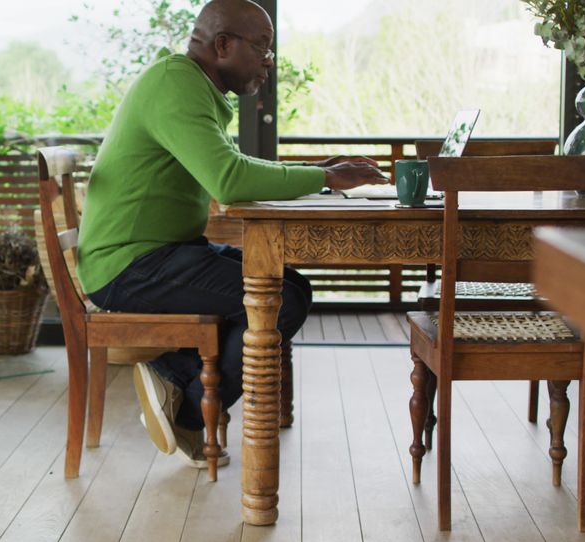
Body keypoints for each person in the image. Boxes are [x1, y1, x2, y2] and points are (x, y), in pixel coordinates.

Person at [77, 0, 387, 468]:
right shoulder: (176, 84)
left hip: (162, 255)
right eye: (262, 47)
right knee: (281, 297)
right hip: (130, 266)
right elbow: (228, 180)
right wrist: (324, 179)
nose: (268, 60)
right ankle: (182, 392)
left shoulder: (192, 87)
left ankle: (181, 392)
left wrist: (317, 172)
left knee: (294, 285)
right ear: (222, 44)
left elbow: (232, 171)